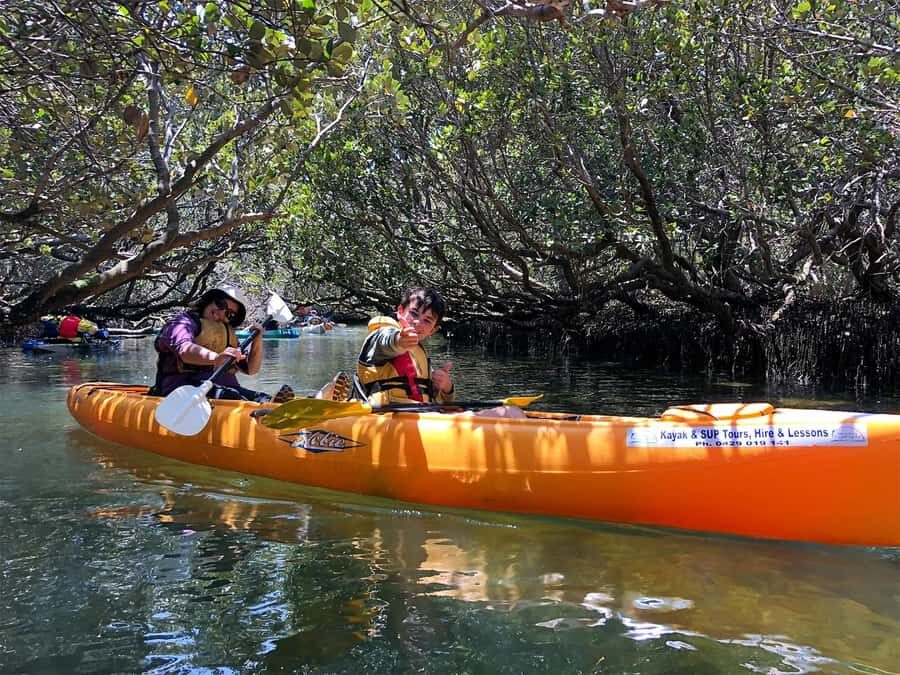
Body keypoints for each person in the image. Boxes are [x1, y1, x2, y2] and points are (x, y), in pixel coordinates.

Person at [149, 284, 290, 402]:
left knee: (261, 398)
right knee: (231, 396)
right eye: (220, 304)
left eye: (230, 314)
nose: (222, 312)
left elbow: (251, 369)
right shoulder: (183, 323)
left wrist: (257, 340)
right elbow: (184, 350)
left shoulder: (226, 334)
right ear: (210, 300)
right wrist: (216, 358)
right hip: (184, 391)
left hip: (228, 389)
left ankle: (274, 408)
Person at [354, 287, 454, 406]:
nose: (417, 322)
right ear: (400, 311)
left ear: (432, 330)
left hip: (420, 411)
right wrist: (399, 341)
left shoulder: (419, 357)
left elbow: (436, 400)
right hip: (383, 412)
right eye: (414, 314)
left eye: (427, 321)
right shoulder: (382, 335)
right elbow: (386, 341)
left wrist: (447, 388)